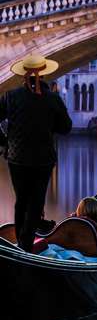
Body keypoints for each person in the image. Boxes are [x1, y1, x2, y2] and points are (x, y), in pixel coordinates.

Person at [0, 52, 72, 252]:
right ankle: (25, 245)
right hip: (43, 160)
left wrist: (4, 141)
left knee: (21, 200)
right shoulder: (52, 99)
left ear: (24, 74)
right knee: (35, 202)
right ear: (43, 73)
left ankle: (22, 244)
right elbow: (66, 127)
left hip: (17, 158)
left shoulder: (11, 97)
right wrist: (50, 124)